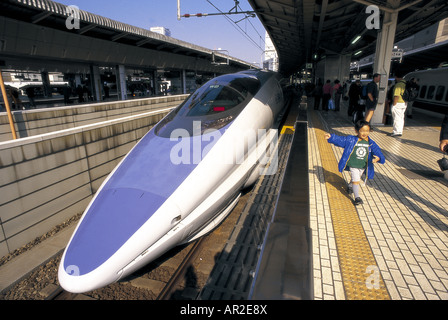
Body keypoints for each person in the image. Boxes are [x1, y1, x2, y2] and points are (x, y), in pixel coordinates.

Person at [325, 120, 386, 205]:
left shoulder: (371, 143)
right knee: (356, 179)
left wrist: (378, 158)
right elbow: (341, 140)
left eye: (367, 131)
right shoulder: (351, 140)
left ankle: (350, 187)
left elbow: (377, 151)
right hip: (353, 164)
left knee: (356, 178)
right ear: (356, 131)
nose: (365, 133)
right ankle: (357, 197)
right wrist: (331, 137)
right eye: (362, 131)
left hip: (363, 165)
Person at [391, 70, 407, 137]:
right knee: (401, 117)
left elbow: (396, 95)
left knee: (396, 118)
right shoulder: (405, 83)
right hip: (404, 103)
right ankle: (400, 131)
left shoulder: (398, 85)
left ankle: (396, 132)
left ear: (396, 77)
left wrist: (394, 105)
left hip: (398, 103)